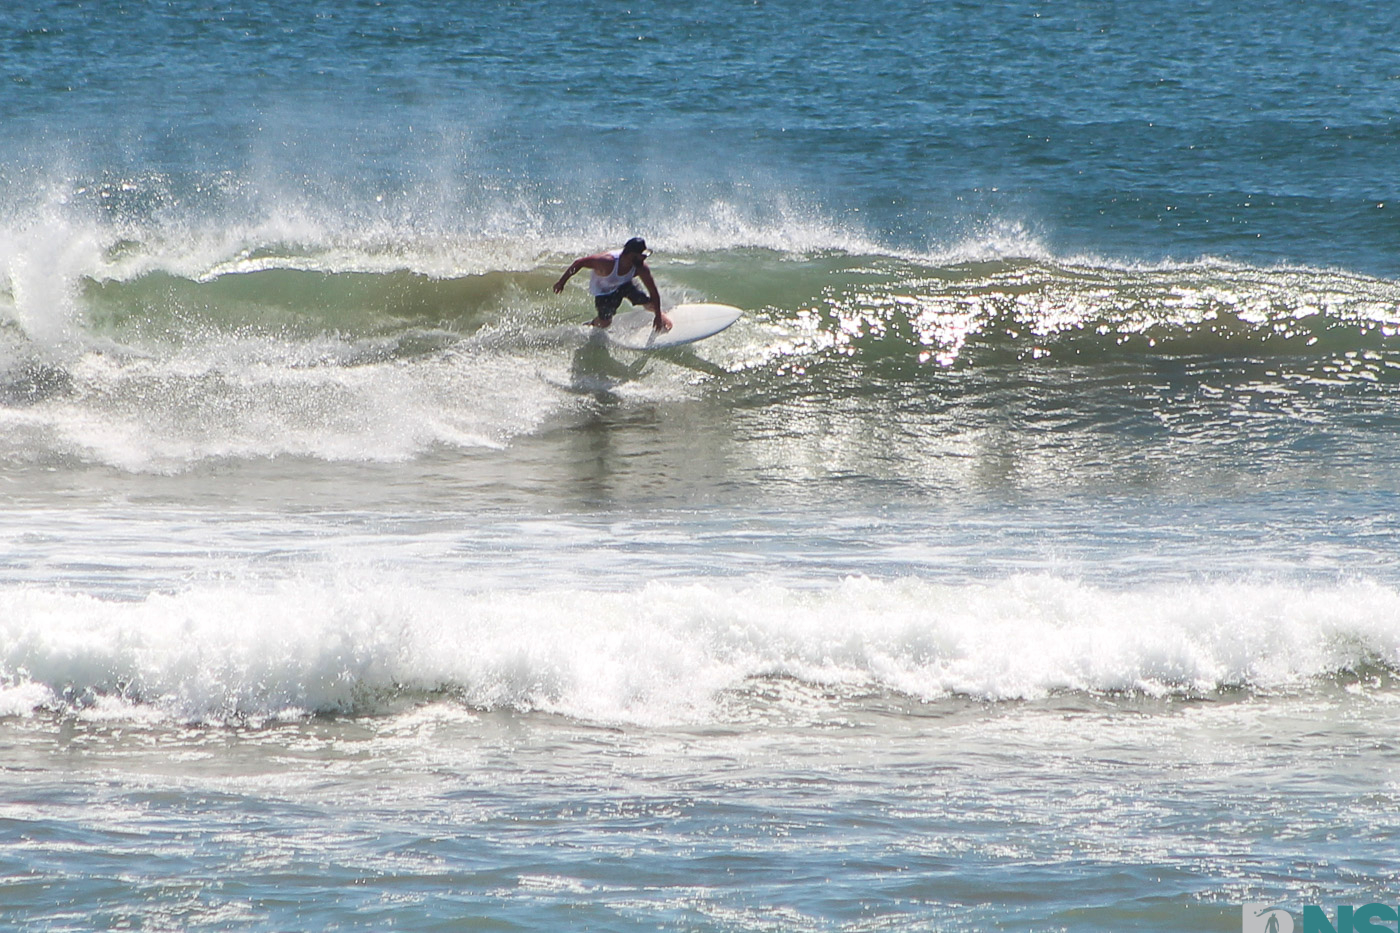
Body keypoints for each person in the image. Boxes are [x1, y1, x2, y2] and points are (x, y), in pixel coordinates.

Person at [553, 237, 672, 332]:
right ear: (631, 255)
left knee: (647, 301)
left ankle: (661, 315)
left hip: (624, 284)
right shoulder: (607, 262)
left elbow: (653, 291)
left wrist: (657, 316)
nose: (644, 259)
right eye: (642, 256)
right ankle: (591, 324)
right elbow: (579, 263)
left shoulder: (640, 267)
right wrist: (561, 282)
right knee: (605, 322)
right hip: (603, 291)